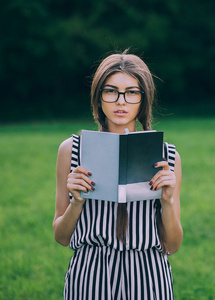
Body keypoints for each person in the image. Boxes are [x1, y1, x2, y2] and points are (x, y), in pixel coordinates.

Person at [53, 50, 183, 300]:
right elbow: (60, 237)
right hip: (89, 276)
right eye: (111, 91)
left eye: (132, 92)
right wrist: (77, 202)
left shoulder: (167, 157)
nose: (121, 101)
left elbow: (173, 245)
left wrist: (167, 200)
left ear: (143, 99)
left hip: (149, 277)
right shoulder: (71, 150)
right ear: (98, 97)